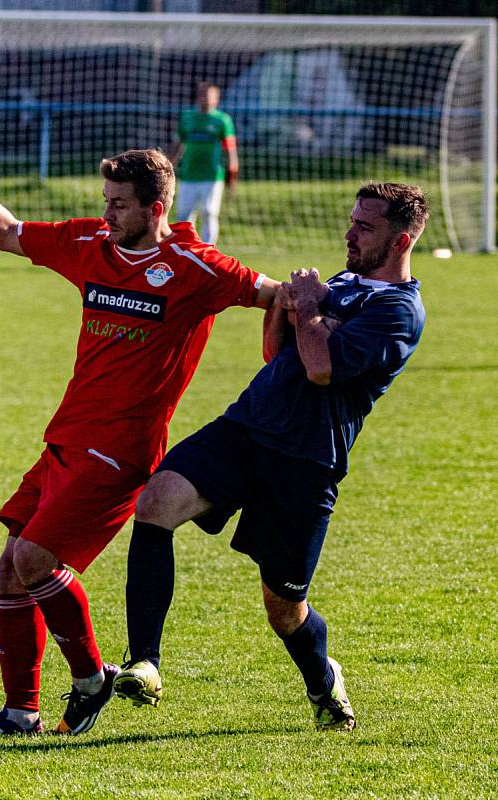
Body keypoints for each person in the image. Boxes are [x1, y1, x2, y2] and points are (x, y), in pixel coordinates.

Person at [0, 133, 279, 736]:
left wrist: (318, 322)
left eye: (119, 203)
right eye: (105, 199)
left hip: (121, 451)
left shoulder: (197, 267)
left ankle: (91, 680)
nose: (107, 212)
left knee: (34, 559)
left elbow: (277, 294)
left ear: (154, 209)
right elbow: (6, 232)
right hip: (66, 435)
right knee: (11, 567)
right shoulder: (90, 243)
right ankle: (20, 712)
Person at [113, 183, 429, 732]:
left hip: (305, 465)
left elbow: (321, 368)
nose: (349, 234)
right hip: (245, 428)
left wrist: (310, 309)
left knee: (284, 611)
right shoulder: (342, 284)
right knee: (156, 503)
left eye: (365, 228)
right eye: (351, 221)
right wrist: (289, 308)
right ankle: (146, 662)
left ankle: (324, 682)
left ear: (401, 240)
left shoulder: (400, 312)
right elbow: (278, 352)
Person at [170, 81, 238, 245]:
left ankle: (208, 249)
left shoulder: (222, 120)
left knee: (209, 212)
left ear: (216, 99)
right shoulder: (187, 117)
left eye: (208, 96)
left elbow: (231, 149)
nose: (204, 99)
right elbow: (178, 145)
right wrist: (170, 166)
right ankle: (187, 248)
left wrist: (233, 171)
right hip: (189, 175)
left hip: (212, 176)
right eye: (201, 95)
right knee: (183, 216)